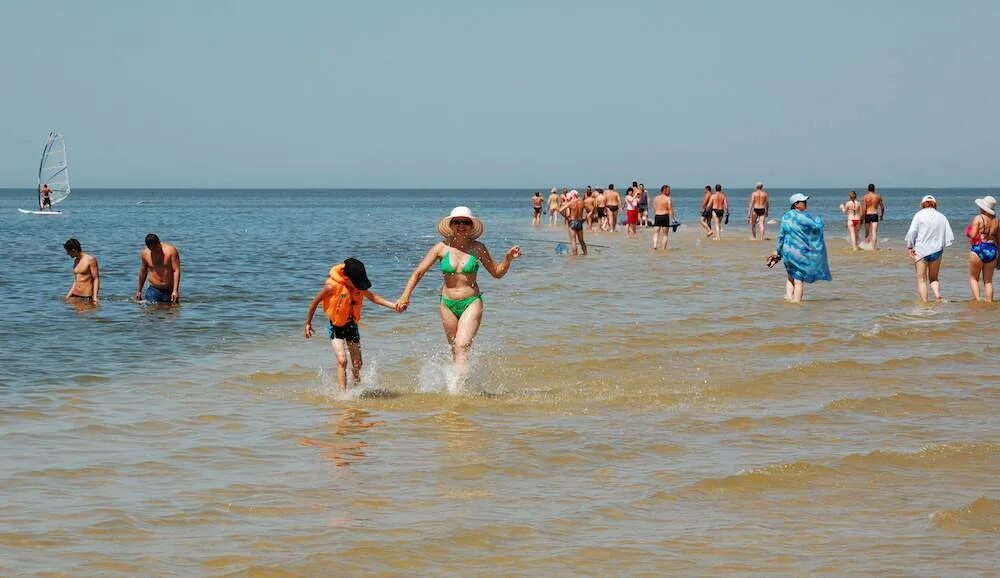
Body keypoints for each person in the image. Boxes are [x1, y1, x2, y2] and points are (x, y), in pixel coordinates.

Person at [397, 207, 522, 391]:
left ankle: (458, 394)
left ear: (471, 226)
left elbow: (497, 273)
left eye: (465, 222)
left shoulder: (478, 248)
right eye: (457, 222)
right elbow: (418, 272)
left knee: (462, 345)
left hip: (471, 302)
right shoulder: (440, 248)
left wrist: (508, 259)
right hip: (447, 304)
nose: (461, 226)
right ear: (451, 225)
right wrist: (405, 296)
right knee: (455, 349)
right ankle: (462, 389)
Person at [303, 258, 399, 391]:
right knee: (342, 360)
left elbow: (374, 298)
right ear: (347, 278)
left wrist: (394, 306)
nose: (360, 286)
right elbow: (314, 302)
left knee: (357, 363)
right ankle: (344, 394)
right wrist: (308, 323)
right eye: (358, 283)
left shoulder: (358, 286)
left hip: (351, 326)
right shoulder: (331, 287)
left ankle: (356, 386)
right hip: (336, 326)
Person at [767, 193, 832, 303]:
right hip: (800, 253)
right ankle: (797, 303)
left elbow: (781, 236)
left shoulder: (785, 217)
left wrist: (777, 252)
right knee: (799, 280)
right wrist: (820, 220)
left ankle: (788, 298)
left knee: (790, 277)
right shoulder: (804, 217)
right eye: (803, 201)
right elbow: (817, 227)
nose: (806, 203)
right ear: (796, 204)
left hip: (787, 252)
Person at [904, 195, 954, 302]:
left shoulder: (919, 215)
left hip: (921, 251)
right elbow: (948, 235)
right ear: (935, 204)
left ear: (923, 204)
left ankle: (925, 302)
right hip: (937, 251)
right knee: (934, 278)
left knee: (921, 280)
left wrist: (910, 246)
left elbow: (912, 232)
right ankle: (937, 294)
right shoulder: (942, 216)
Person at [966, 195, 998, 302]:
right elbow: (999, 240)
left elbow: (973, 235)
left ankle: (978, 300)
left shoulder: (978, 218)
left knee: (973, 278)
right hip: (992, 250)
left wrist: (968, 232)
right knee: (988, 281)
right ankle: (989, 302)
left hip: (979, 248)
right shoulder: (996, 221)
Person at [136, 233, 181, 304]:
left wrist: (175, 290)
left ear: (159, 243)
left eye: (155, 248)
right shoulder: (145, 254)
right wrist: (139, 291)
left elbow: (176, 270)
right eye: (151, 249)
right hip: (153, 290)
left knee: (173, 313)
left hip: (170, 289)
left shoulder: (171, 251)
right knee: (151, 313)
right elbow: (143, 272)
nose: (153, 250)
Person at [63, 238, 100, 304]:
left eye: (68, 251)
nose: (67, 254)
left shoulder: (90, 259)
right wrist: (68, 295)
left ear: (74, 250)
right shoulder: (76, 261)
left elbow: (96, 278)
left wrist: (95, 297)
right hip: (75, 294)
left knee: (85, 314)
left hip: (86, 296)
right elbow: (76, 280)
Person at [560, 190, 589, 255]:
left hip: (572, 222)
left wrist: (567, 218)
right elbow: (590, 210)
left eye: (571, 195)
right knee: (581, 241)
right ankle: (585, 254)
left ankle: (575, 256)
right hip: (580, 222)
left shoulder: (571, 203)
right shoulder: (582, 202)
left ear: (573, 195)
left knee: (573, 241)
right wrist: (585, 218)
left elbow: (560, 210)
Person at [651, 185, 675, 250]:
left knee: (656, 233)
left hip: (657, 216)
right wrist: (673, 219)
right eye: (668, 190)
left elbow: (654, 208)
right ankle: (663, 249)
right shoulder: (668, 198)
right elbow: (670, 209)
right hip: (665, 216)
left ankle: (655, 246)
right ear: (664, 190)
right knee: (665, 234)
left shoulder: (656, 198)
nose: (670, 192)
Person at [863, 183, 885, 249]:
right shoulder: (878, 196)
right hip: (875, 214)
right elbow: (882, 207)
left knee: (867, 232)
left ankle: (866, 246)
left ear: (868, 189)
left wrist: (863, 217)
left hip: (867, 214)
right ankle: (873, 247)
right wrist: (881, 215)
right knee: (874, 232)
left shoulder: (865, 197)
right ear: (874, 189)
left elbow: (864, 208)